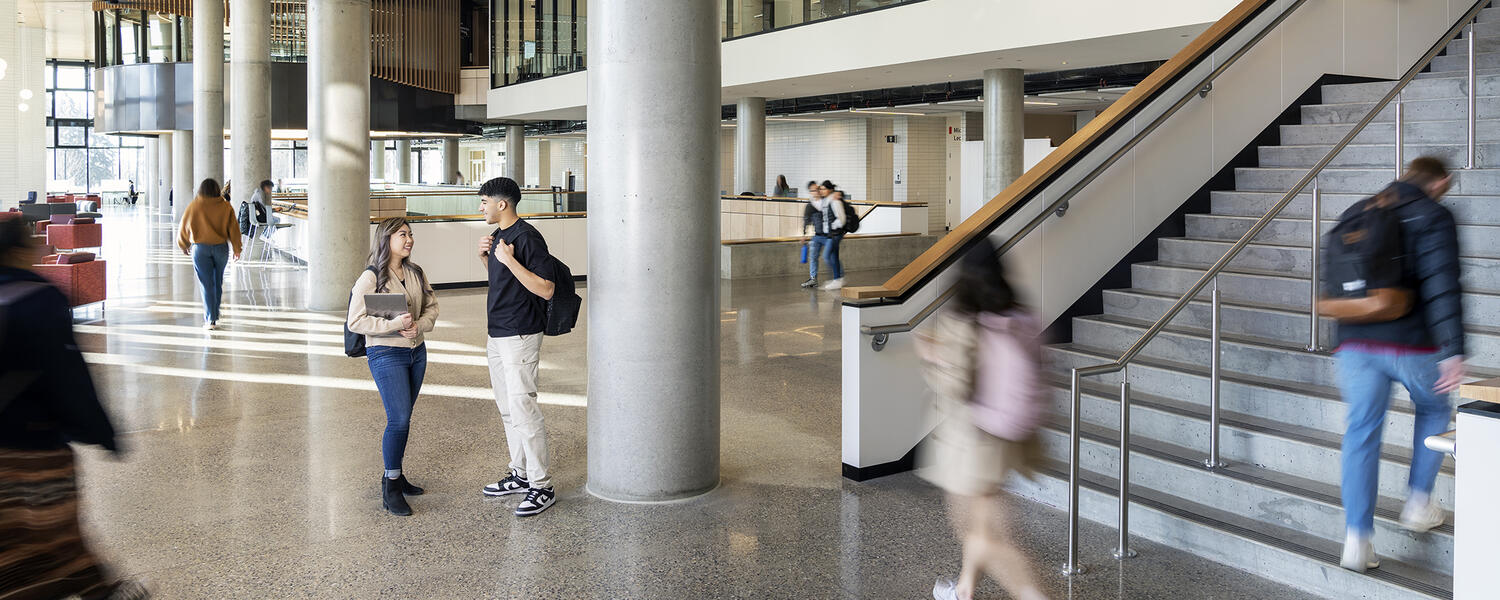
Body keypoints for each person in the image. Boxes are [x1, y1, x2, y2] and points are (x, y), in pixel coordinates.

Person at [0, 218, 149, 600]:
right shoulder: (37, 299)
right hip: (31, 448)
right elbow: (67, 376)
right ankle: (97, 589)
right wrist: (100, 432)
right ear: (20, 251)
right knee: (56, 536)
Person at [1335, 156, 1464, 572]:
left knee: (1361, 431)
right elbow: (1442, 282)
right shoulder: (1435, 214)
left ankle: (1357, 539)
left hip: (1354, 341)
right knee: (1433, 407)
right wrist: (1453, 350)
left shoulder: (1360, 210)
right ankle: (1418, 502)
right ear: (1440, 182)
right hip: (1412, 344)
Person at [915, 238, 1048, 600]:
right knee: (982, 522)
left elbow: (955, 386)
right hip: (1010, 441)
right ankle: (964, 591)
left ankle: (1033, 595)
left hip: (974, 442)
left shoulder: (965, 320)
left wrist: (931, 356)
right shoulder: (1021, 315)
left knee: (980, 533)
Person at [474, 177, 559, 517]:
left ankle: (542, 486)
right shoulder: (498, 238)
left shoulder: (526, 237)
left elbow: (546, 289)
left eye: (484, 202)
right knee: (508, 408)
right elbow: (504, 283)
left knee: (523, 408)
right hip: (498, 333)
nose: (481, 207)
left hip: (521, 333)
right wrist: (487, 259)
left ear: (502, 204)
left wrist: (508, 260)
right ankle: (521, 473)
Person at [347, 217, 439, 517]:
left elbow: (431, 307)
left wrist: (419, 326)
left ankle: (396, 474)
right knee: (398, 420)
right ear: (387, 239)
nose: (409, 239)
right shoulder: (371, 277)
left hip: (416, 352)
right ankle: (390, 484)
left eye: (410, 234)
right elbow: (356, 321)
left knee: (405, 418)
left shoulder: (415, 272)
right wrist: (393, 324)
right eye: (402, 234)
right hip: (386, 353)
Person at [176, 178, 241, 330]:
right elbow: (234, 229)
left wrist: (183, 245)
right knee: (217, 281)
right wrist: (237, 248)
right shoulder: (225, 206)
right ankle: (214, 313)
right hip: (221, 248)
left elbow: (184, 226)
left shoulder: (194, 206)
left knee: (206, 283)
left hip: (200, 249)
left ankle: (210, 319)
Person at [800, 180, 846, 290]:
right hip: (818, 235)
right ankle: (813, 278)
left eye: (818, 189)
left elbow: (836, 195)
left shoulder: (828, 199)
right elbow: (806, 220)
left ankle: (838, 277)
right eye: (814, 190)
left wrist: (838, 193)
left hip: (829, 235)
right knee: (814, 256)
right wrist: (804, 234)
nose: (817, 191)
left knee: (830, 256)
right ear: (810, 192)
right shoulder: (810, 206)